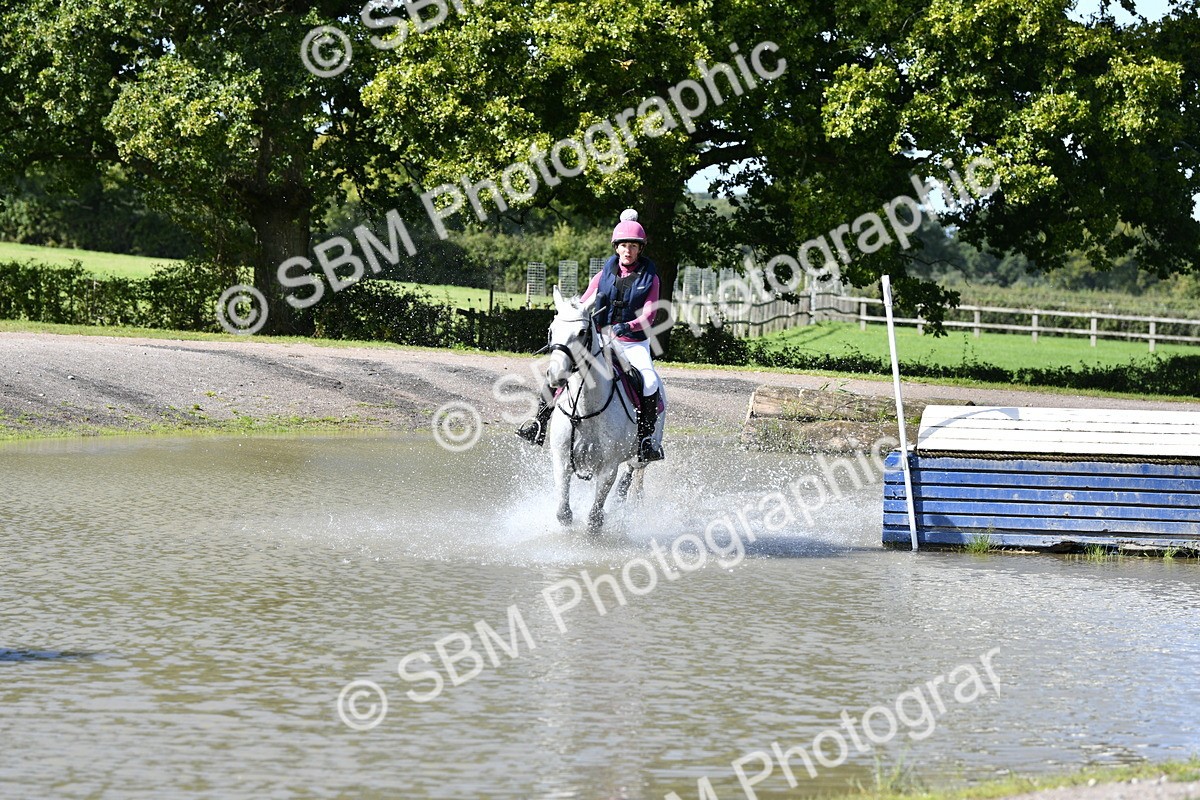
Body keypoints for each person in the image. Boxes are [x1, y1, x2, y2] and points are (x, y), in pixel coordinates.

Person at [517, 208, 665, 462]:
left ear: (640, 249)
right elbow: (583, 304)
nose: (627, 251)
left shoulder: (651, 279)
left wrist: (627, 327)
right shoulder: (602, 275)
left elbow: (649, 317)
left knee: (650, 382)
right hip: (601, 340)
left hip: (633, 343)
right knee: (559, 370)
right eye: (623, 246)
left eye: (633, 246)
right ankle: (538, 424)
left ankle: (646, 440)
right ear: (616, 247)